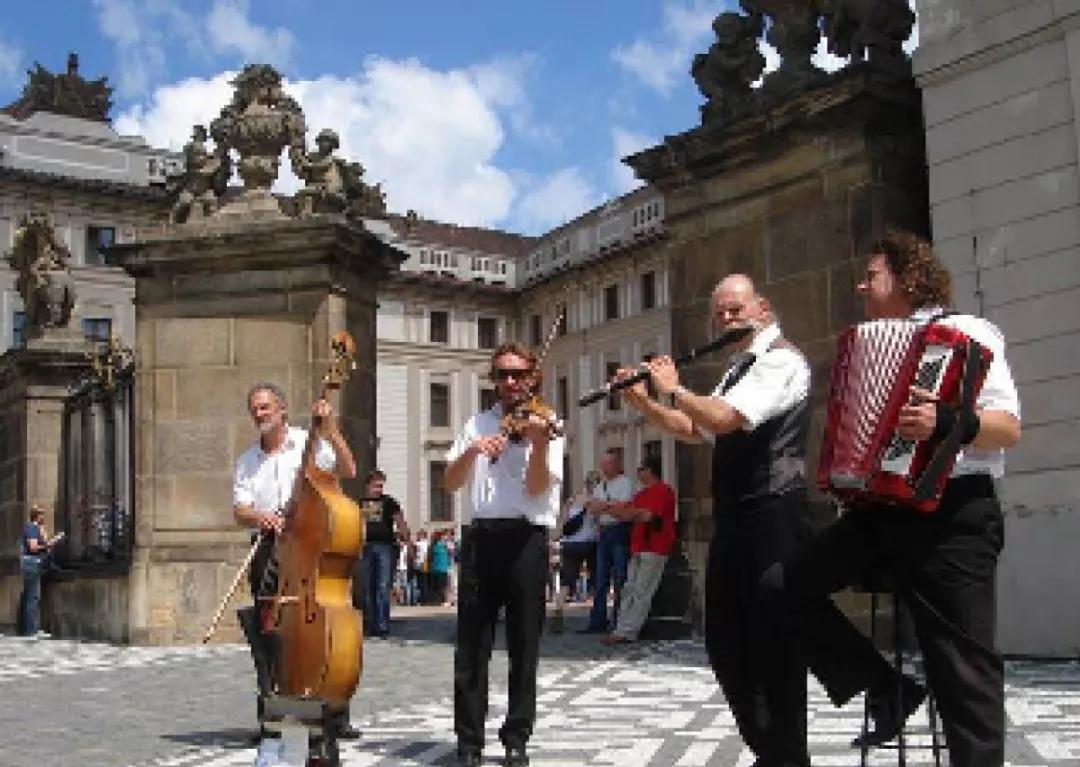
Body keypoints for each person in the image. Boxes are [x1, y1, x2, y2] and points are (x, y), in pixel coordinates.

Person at [760, 232, 1022, 767]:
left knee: (963, 676)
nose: (860, 284)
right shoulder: (867, 341)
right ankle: (886, 686)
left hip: (953, 515)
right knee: (780, 588)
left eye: (871, 275)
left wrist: (949, 421)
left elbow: (1009, 429)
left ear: (908, 278)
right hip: (881, 515)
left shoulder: (966, 334)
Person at [615, 274, 815, 766]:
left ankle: (787, 757)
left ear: (762, 308)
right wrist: (643, 401)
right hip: (737, 518)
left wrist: (675, 387)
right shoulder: (736, 369)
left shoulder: (783, 361)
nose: (727, 319)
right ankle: (772, 751)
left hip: (774, 514)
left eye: (736, 309)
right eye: (720, 312)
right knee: (725, 643)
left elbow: (724, 418)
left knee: (775, 648)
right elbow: (694, 426)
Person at [444, 341, 564, 767]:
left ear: (532, 378)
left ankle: (517, 737)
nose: (510, 382)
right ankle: (469, 741)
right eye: (502, 374)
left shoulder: (548, 423)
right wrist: (474, 449)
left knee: (523, 646)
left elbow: (537, 489)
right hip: (480, 537)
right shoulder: (477, 423)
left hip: (526, 541)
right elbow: (450, 482)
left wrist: (539, 445)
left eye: (517, 374)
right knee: (470, 647)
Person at [231, 382, 360, 741]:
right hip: (269, 549)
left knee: (326, 627)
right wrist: (260, 517)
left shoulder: (309, 442)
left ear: (283, 409)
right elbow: (239, 509)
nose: (260, 414)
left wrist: (330, 429)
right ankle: (273, 715)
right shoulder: (247, 460)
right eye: (255, 409)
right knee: (269, 632)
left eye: (266, 407)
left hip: (311, 547)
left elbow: (349, 469)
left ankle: (334, 711)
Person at [601, 456, 677, 645]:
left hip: (655, 546)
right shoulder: (641, 495)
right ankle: (621, 628)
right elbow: (628, 515)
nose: (638, 473)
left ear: (650, 471)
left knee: (642, 591)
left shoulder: (663, 491)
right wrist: (610, 509)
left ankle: (628, 631)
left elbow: (646, 515)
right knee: (629, 589)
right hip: (638, 546)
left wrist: (611, 507)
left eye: (641, 468)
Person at [580, 450, 633, 634]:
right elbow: (592, 509)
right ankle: (598, 621)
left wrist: (604, 506)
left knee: (620, 577)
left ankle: (618, 620)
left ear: (617, 465)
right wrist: (609, 506)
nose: (604, 467)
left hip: (619, 530)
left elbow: (624, 507)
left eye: (609, 463)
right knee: (600, 579)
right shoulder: (600, 486)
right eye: (603, 464)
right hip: (603, 532)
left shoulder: (625, 483)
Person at [357, 468, 406, 638]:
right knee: (368, 587)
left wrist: (407, 539)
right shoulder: (360, 503)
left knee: (383, 586)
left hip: (384, 546)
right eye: (376, 486)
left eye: (381, 486)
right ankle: (371, 625)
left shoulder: (389, 502)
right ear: (368, 485)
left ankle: (383, 625)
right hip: (365, 546)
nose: (379, 489)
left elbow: (400, 520)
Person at [549, 471, 600, 634]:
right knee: (596, 580)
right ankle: (597, 617)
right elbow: (599, 524)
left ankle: (557, 612)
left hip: (570, 545)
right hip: (590, 544)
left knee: (566, 581)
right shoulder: (595, 501)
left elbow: (562, 524)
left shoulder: (571, 501)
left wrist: (555, 539)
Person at [18, 505, 54, 637]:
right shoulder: (32, 528)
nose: (44, 517)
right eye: (42, 515)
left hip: (29, 564)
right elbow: (33, 547)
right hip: (32, 563)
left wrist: (43, 534)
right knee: (33, 597)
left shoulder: (35, 528)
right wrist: (46, 545)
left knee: (29, 596)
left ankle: (27, 628)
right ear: (37, 516)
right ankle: (32, 630)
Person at [429, 530, 451, 605]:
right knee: (443, 586)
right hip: (443, 569)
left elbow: (430, 558)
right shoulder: (445, 546)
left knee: (437, 586)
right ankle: (443, 600)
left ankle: (441, 600)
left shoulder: (433, 546)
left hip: (436, 569)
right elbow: (449, 557)